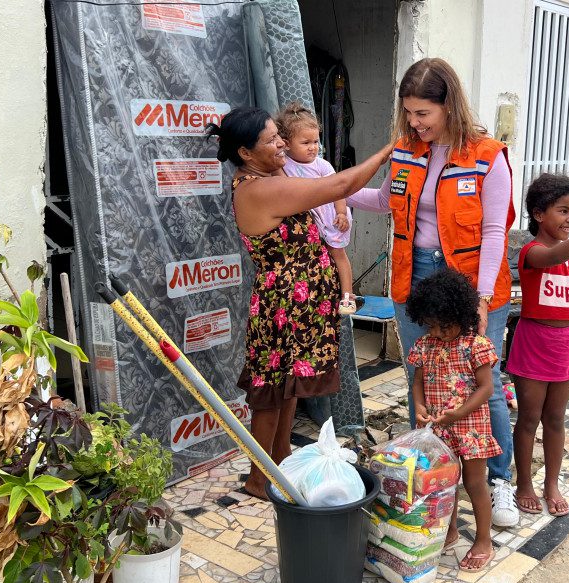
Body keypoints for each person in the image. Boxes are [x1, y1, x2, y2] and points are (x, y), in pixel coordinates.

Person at [346, 58, 520, 527]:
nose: (414, 123)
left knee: (485, 380)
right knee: (418, 372)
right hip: (415, 276)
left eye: (423, 113)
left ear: (449, 106)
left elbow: (494, 233)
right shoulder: (406, 149)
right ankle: (428, 467)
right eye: (409, 113)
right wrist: (333, 191)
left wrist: (482, 297)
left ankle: (497, 480)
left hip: (470, 283)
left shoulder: (488, 154)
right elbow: (384, 201)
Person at [206, 106, 391, 499]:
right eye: (272, 140)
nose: (282, 145)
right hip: (284, 305)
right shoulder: (259, 188)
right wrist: (389, 149)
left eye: (280, 136)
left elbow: (345, 192)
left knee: (289, 387)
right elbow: (340, 187)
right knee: (271, 391)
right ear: (245, 153)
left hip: (302, 304)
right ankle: (259, 478)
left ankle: (281, 457)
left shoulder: (275, 174)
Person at [508, 173, 569, 518]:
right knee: (529, 418)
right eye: (563, 211)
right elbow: (551, 257)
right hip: (535, 344)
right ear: (537, 214)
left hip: (564, 346)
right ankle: (524, 484)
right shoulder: (533, 252)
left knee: (556, 418)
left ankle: (551, 483)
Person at [407, 268, 501, 572]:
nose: (437, 333)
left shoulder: (476, 345)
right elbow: (417, 382)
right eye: (431, 326)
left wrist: (461, 412)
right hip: (437, 428)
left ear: (461, 314)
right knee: (444, 483)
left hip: (470, 426)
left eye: (443, 326)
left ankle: (484, 540)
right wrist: (420, 406)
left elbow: (486, 388)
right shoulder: (424, 345)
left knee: (474, 483)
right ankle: (448, 531)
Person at [275, 102, 357, 314]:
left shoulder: (322, 165)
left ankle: (348, 296)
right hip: (307, 224)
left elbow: (339, 191)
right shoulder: (283, 165)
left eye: (316, 141)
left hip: (329, 219)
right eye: (306, 142)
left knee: (338, 255)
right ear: (286, 143)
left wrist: (341, 213)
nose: (313, 147)